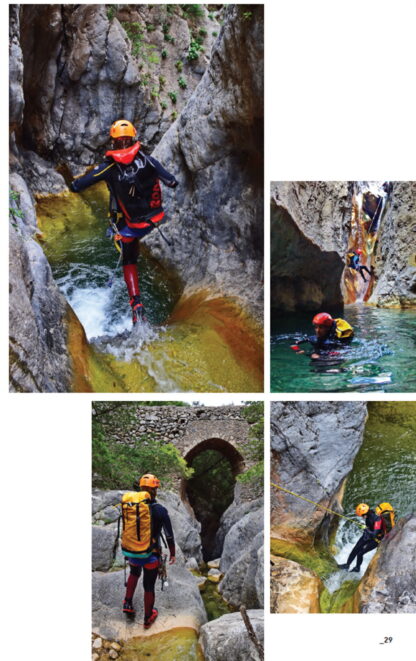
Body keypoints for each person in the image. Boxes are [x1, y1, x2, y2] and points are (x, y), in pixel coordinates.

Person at [70, 119, 178, 324]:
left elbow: (79, 185)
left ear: (113, 143)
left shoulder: (108, 168)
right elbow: (172, 181)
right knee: (130, 230)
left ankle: (136, 304)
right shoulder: (149, 160)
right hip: (155, 220)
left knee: (128, 257)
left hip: (132, 226)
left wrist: (74, 184)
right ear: (134, 139)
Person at [121, 473, 176, 628]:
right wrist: (172, 553)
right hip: (151, 555)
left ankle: (127, 603)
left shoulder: (132, 506)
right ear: (155, 489)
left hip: (133, 552)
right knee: (149, 586)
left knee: (134, 573)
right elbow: (169, 535)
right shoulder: (160, 510)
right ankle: (147, 618)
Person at [338, 503, 385, 572]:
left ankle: (357, 568)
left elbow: (374, 534)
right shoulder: (368, 516)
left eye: (362, 516)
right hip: (368, 535)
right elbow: (369, 528)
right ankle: (347, 565)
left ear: (365, 514)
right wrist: (366, 528)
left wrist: (365, 528)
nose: (361, 517)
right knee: (355, 549)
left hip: (375, 540)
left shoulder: (377, 520)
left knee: (360, 553)